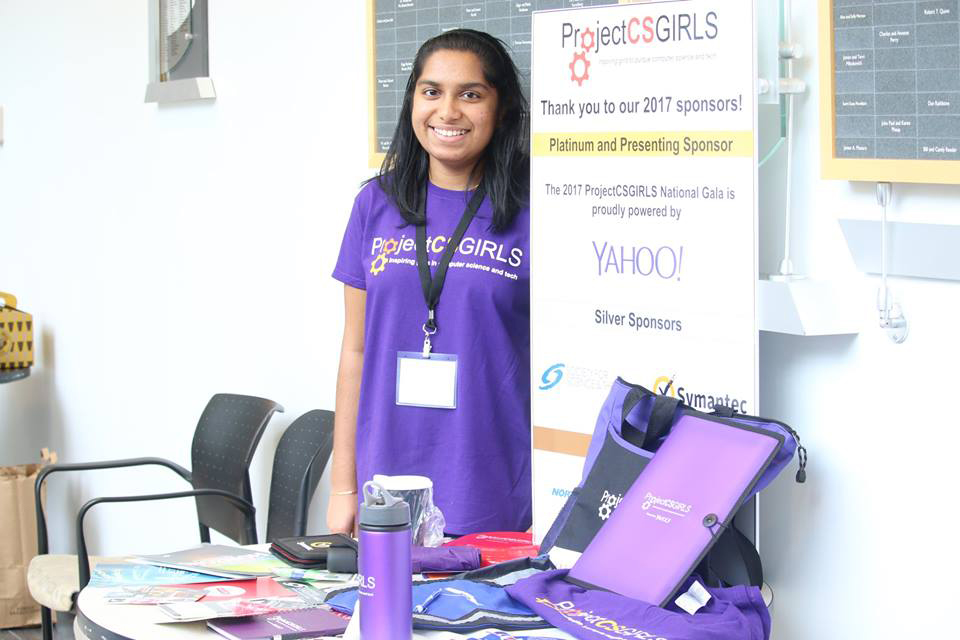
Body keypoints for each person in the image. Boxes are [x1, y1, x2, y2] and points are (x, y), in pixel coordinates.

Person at [329, 29, 530, 536]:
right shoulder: (374, 205)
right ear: (413, 101)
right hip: (386, 490)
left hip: (494, 488)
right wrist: (343, 487)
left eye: (471, 94)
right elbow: (355, 350)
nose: (448, 111)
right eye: (432, 91)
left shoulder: (534, 212)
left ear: (501, 108)